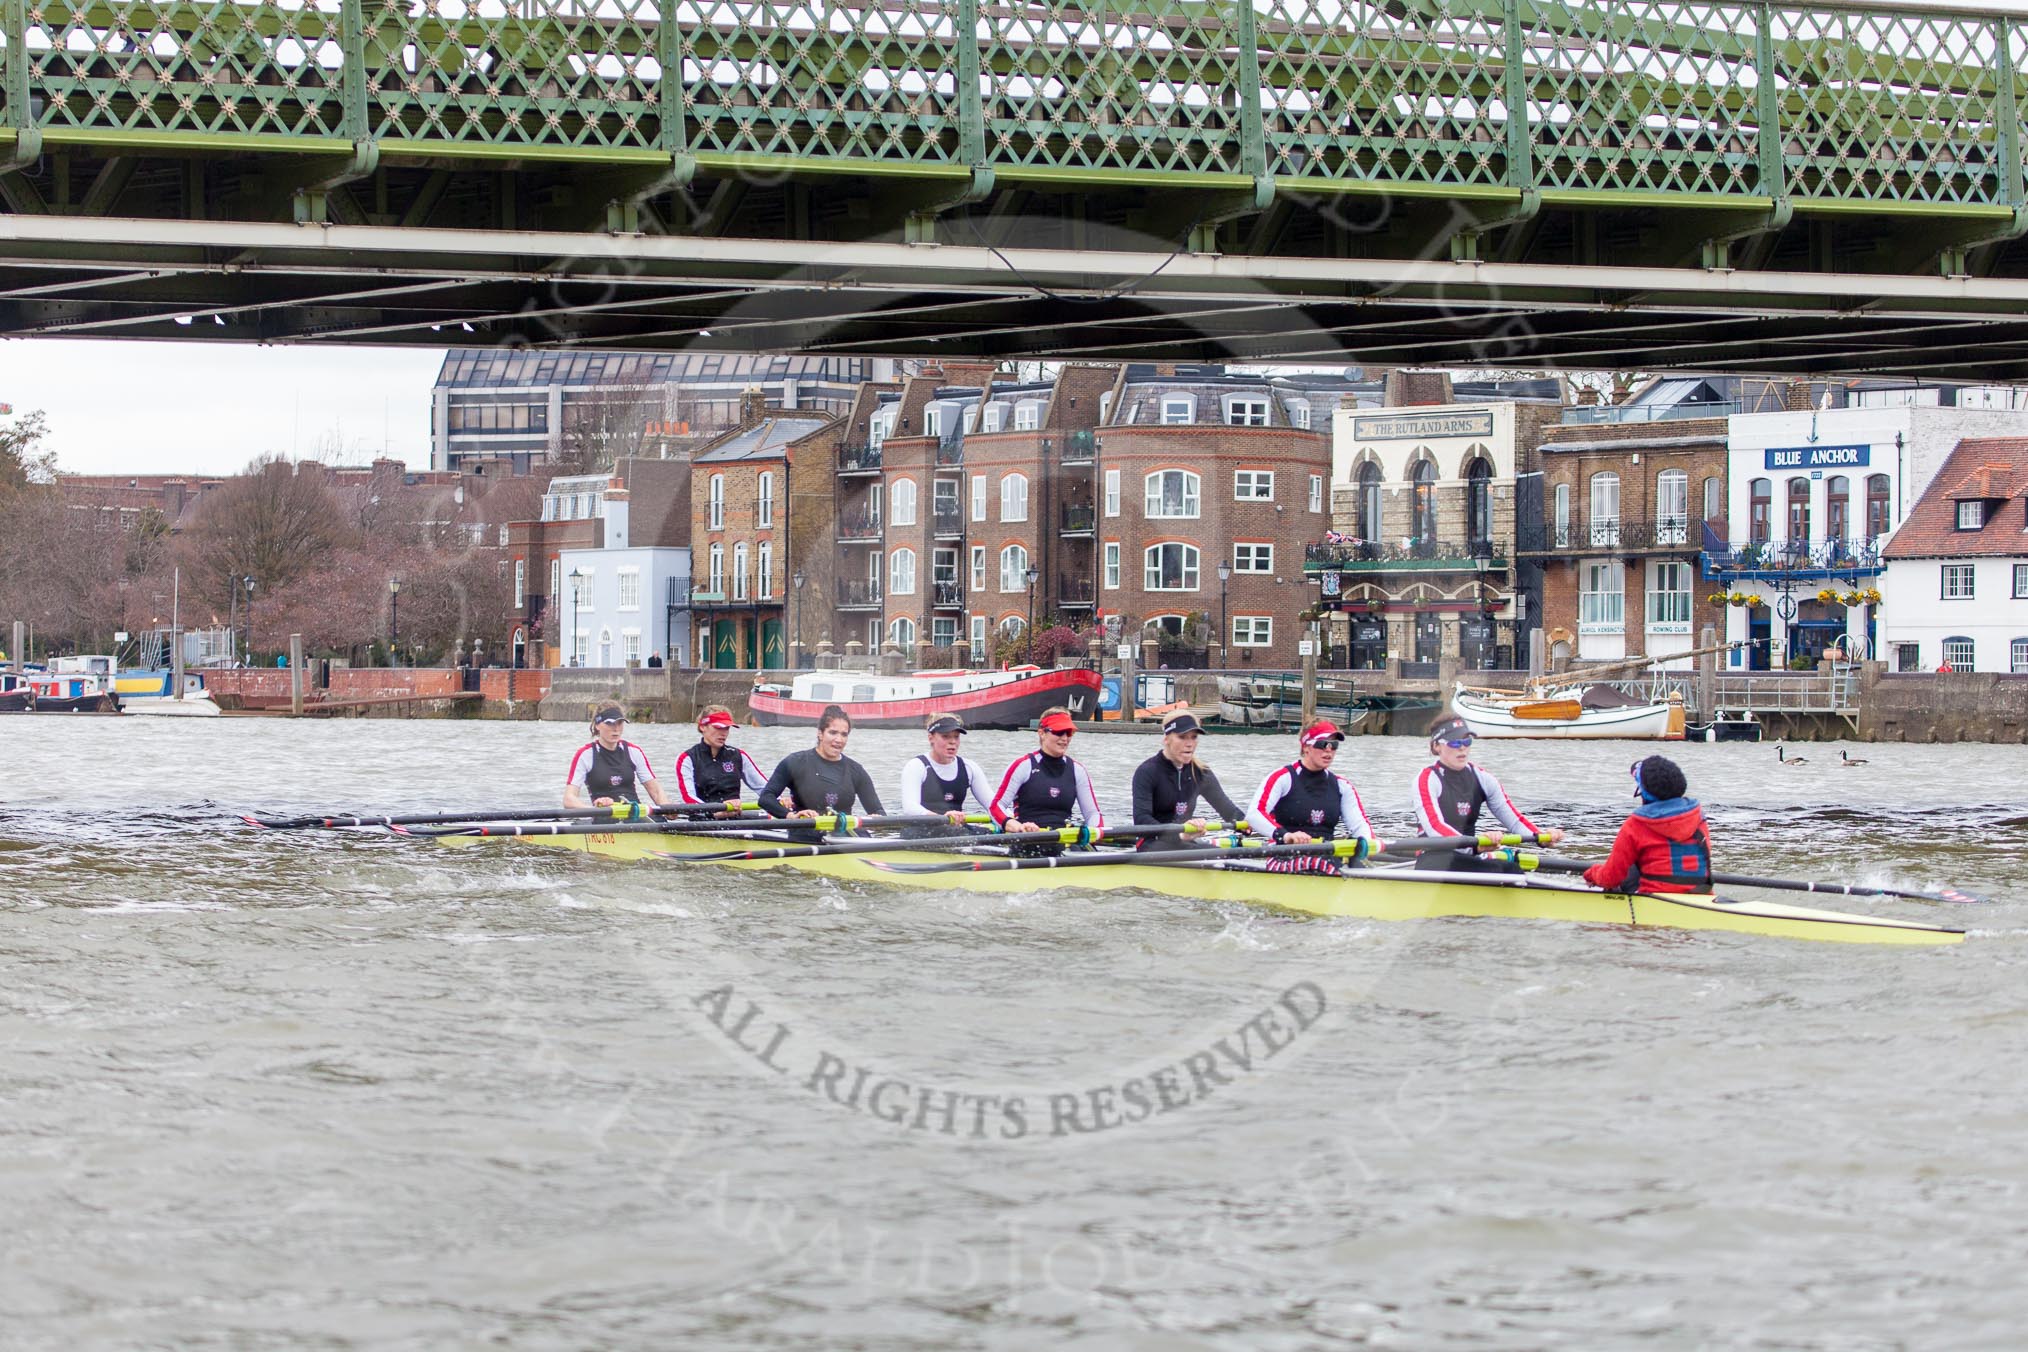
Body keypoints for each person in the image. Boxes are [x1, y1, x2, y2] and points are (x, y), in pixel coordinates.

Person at [1411, 715, 1564, 873]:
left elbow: (1515, 820)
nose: (1462, 748)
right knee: (1508, 870)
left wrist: (1541, 837)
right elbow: (1435, 828)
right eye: (1454, 742)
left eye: (1466, 741)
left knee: (1510, 868)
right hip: (1434, 859)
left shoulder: (1483, 778)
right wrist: (1476, 846)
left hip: (1469, 855)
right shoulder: (1426, 779)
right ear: (1437, 746)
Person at [1246, 720, 1385, 873]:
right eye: (1322, 744)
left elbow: (1359, 825)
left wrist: (1366, 842)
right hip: (1283, 854)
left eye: (1334, 745)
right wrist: (1286, 835)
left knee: (1358, 861)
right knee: (1323, 863)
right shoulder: (1283, 778)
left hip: (1325, 856)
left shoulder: (1342, 786)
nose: (1329, 750)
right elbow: (1254, 814)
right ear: (1306, 747)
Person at [1582, 755, 1711, 895]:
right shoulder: (1698, 816)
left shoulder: (1636, 824)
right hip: (1701, 896)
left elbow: (1610, 879)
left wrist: (1591, 873)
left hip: (1654, 903)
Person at [989, 707, 1105, 854]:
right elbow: (995, 807)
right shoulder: (1023, 766)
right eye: (1058, 732)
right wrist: (1018, 827)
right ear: (1042, 733)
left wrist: (1091, 833)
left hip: (1063, 841)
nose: (1064, 738)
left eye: (1068, 732)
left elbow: (1093, 813)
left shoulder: (1077, 770)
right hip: (1028, 840)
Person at [758, 705, 885, 835]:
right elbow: (766, 798)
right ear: (820, 733)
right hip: (806, 835)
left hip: (846, 837)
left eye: (844, 734)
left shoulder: (856, 770)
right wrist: (791, 816)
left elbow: (879, 812)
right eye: (833, 732)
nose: (839, 740)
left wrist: (877, 820)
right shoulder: (795, 762)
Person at [1130, 713, 1244, 852]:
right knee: (1213, 857)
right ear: (1166, 739)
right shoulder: (1147, 771)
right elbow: (1142, 819)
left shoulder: (1201, 772)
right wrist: (1179, 835)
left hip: (1184, 842)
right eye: (1182, 737)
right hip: (1151, 844)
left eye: (1194, 737)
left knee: (1225, 856)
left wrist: (1265, 828)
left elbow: (1230, 812)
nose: (1189, 743)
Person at [898, 713, 995, 836]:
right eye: (946, 736)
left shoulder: (969, 767)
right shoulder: (917, 766)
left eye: (956, 737)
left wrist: (1013, 821)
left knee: (994, 833)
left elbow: (993, 805)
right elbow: (910, 808)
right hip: (920, 831)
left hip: (955, 830)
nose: (952, 742)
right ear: (931, 738)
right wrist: (943, 818)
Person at [564, 705, 669, 809]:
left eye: (619, 723)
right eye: (609, 723)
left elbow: (656, 791)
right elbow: (569, 799)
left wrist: (669, 809)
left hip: (635, 814)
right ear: (597, 725)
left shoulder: (634, 751)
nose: (616, 728)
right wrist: (594, 809)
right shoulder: (585, 755)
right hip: (604, 817)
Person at [674, 705, 769, 813]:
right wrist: (715, 812)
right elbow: (689, 798)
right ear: (702, 726)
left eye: (727, 728)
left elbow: (765, 789)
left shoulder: (739, 756)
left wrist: (780, 800)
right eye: (718, 727)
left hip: (735, 817)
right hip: (702, 819)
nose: (723, 733)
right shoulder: (687, 759)